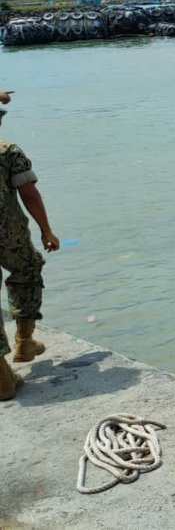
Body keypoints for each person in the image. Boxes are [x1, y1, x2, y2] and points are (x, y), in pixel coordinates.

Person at [0, 91, 60, 402]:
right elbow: (30, 195)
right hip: (8, 230)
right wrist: (46, 230)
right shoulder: (8, 151)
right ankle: (24, 340)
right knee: (27, 269)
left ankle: (3, 372)